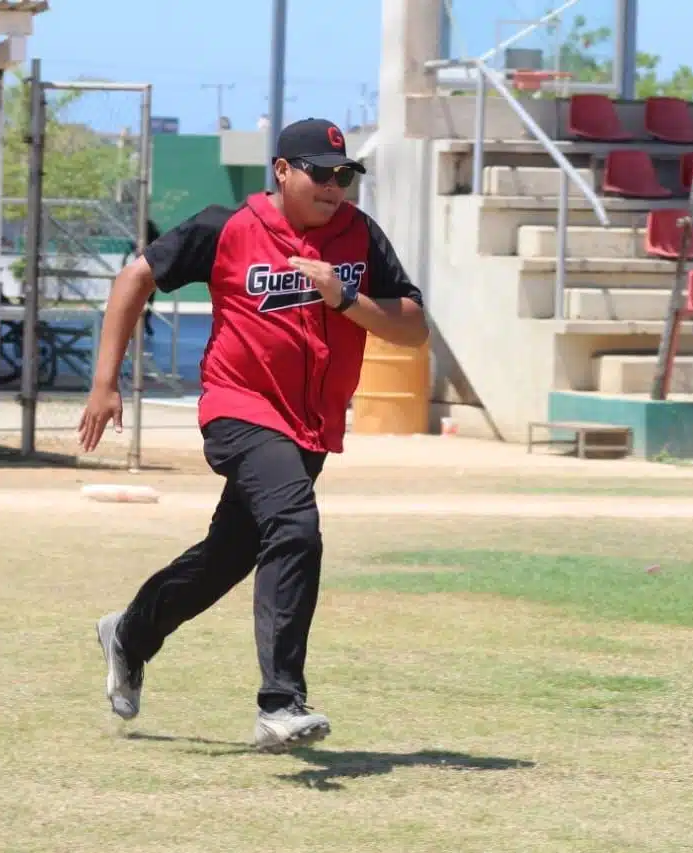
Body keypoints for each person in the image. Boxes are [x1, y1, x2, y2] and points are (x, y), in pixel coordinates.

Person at [78, 117, 430, 752]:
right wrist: (105, 382)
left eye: (344, 174)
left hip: (310, 426)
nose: (333, 185)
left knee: (228, 558)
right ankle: (280, 703)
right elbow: (135, 278)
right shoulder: (228, 227)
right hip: (238, 408)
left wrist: (345, 298)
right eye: (319, 173)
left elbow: (412, 327)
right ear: (283, 171)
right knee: (296, 526)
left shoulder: (359, 237)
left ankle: (129, 632)